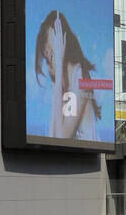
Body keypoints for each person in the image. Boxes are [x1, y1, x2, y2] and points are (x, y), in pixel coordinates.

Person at [33, 10, 103, 142]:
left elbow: (60, 139)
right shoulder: (62, 83)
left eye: (51, 52)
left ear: (63, 45)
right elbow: (51, 136)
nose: (48, 59)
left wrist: (58, 71)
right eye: (46, 55)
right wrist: (57, 82)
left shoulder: (79, 78)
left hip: (84, 160)